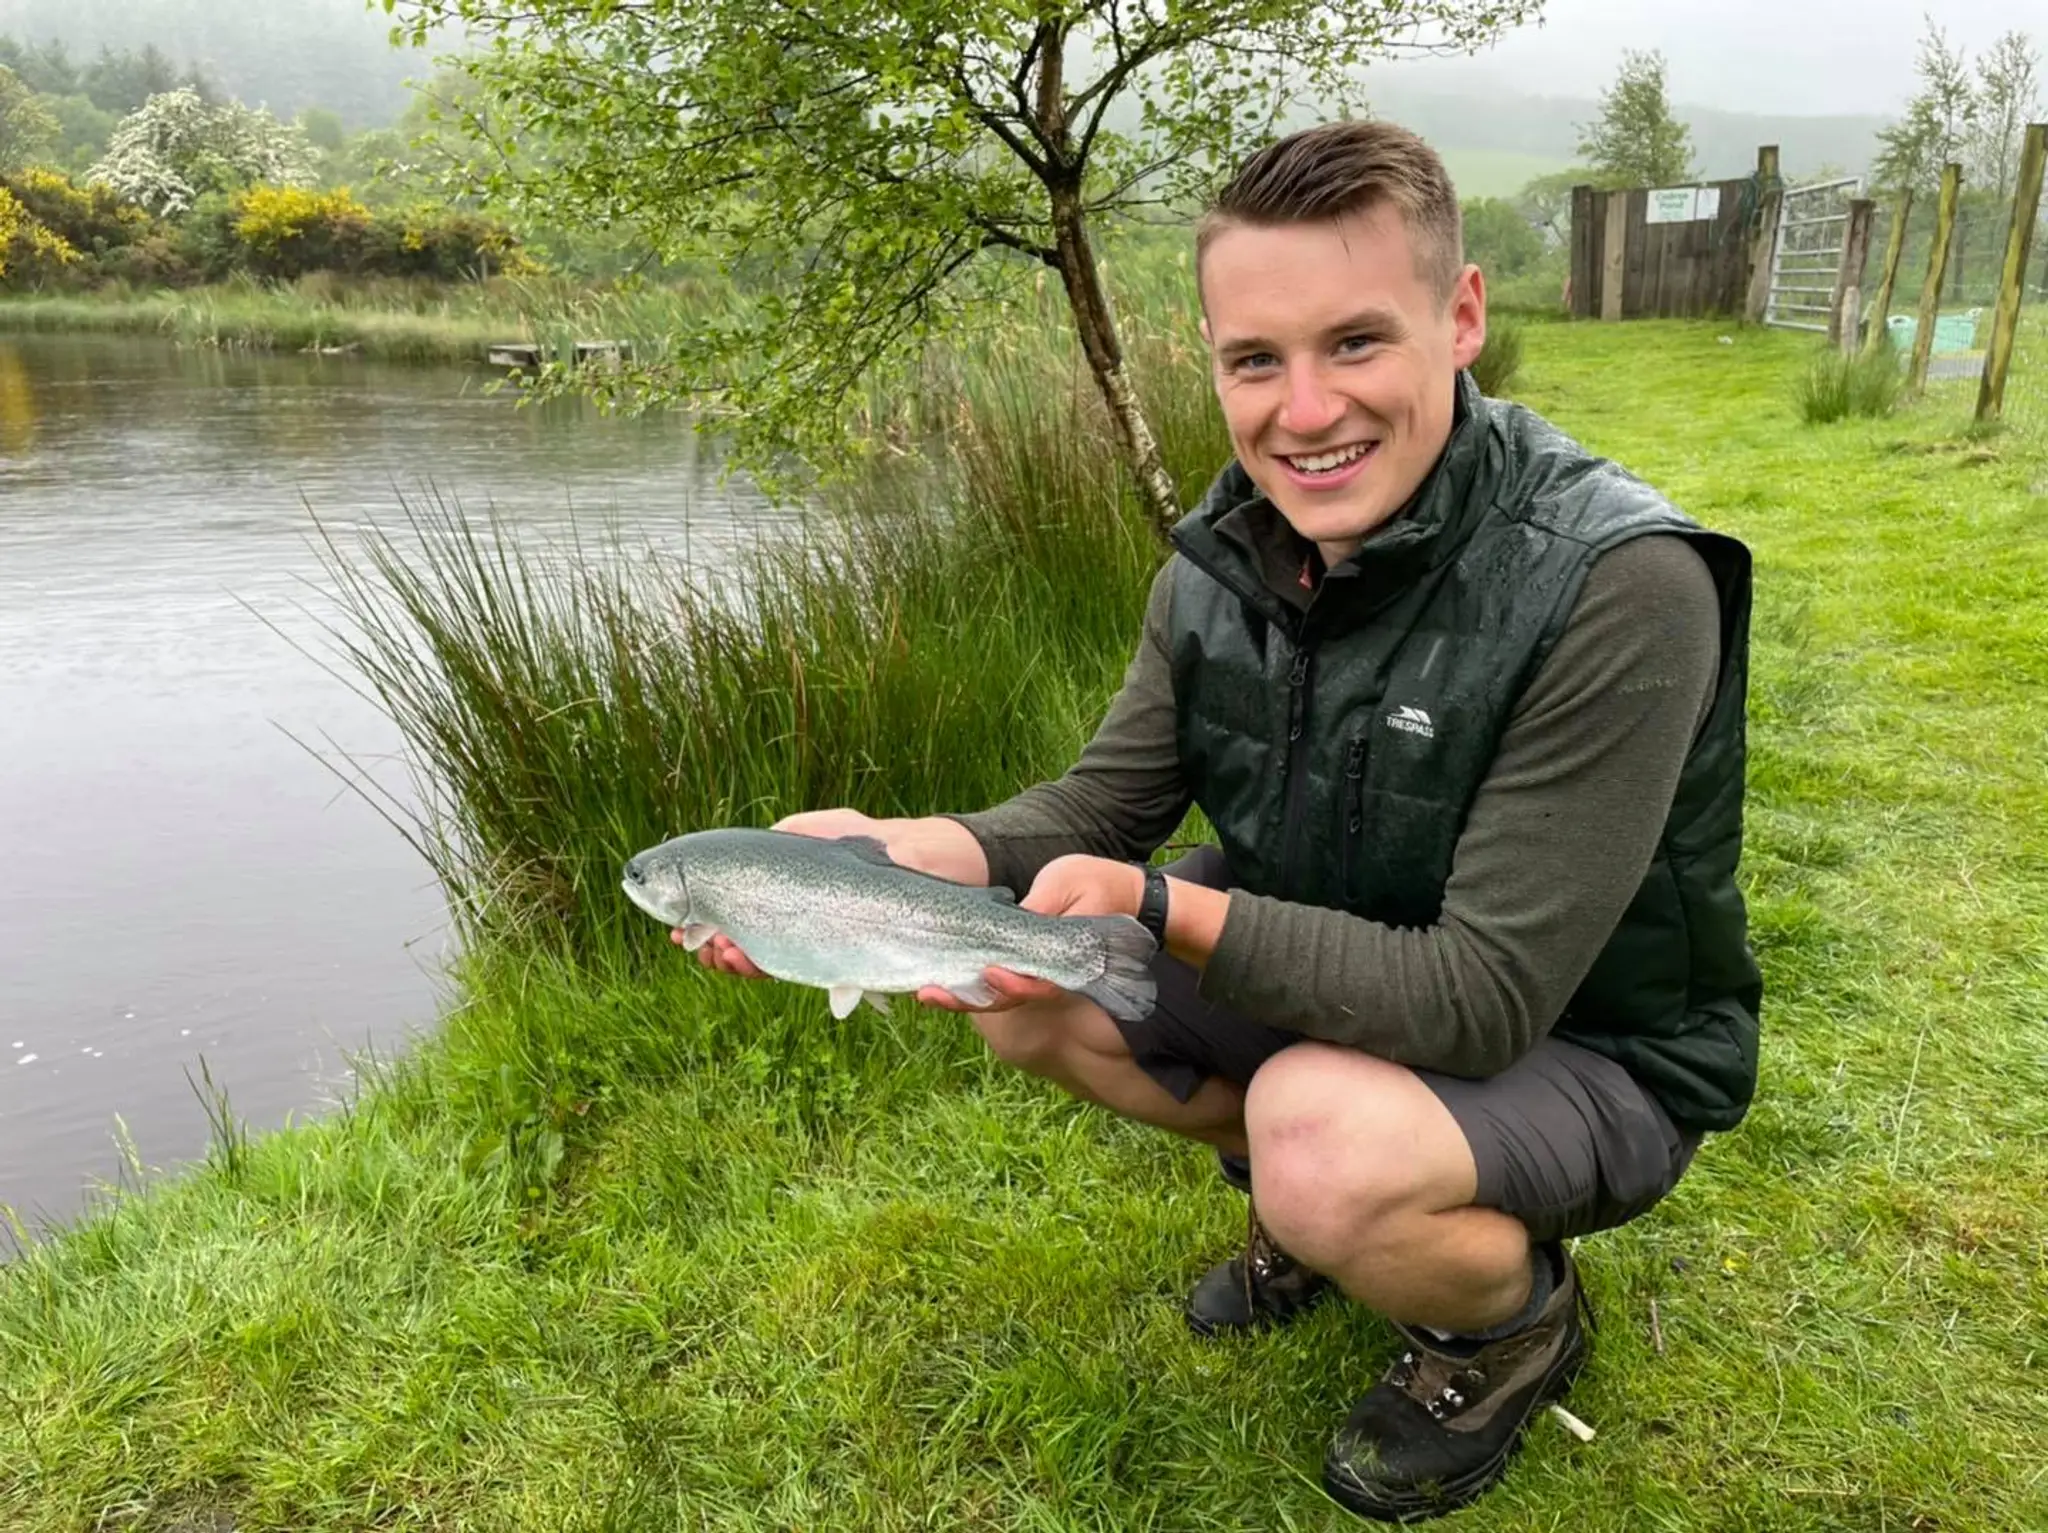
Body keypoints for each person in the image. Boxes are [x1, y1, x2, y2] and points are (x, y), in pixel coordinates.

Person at [687, 119, 1761, 1523]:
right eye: (1256, 360)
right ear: (1214, 362)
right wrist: (907, 855)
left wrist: (1163, 911)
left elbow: (1485, 995)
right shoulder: (1220, 561)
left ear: (1464, 318)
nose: (1302, 412)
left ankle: (1507, 1324)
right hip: (1335, 961)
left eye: (1356, 344)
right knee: (1030, 998)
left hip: (1593, 1039)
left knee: (1318, 1138)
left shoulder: (1622, 586)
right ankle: (1331, 1217)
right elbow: (1100, 804)